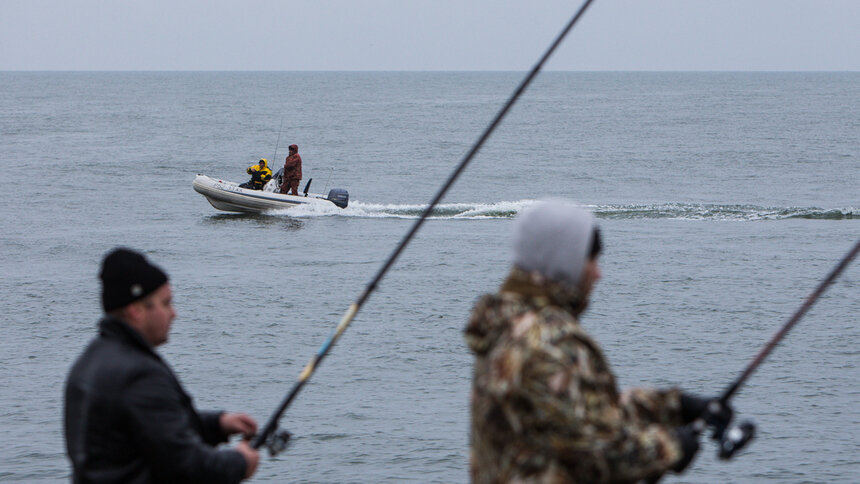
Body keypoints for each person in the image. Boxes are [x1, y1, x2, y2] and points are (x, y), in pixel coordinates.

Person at [464, 201, 730, 483]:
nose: (598, 274)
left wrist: (674, 406)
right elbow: (595, 456)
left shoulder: (508, 325)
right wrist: (670, 447)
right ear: (565, 262)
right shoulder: (550, 343)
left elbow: (573, 419)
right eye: (591, 260)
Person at [64, 248, 260, 483]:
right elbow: (186, 465)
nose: (174, 313)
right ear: (136, 311)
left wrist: (217, 424)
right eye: (166, 304)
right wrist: (239, 462)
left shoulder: (90, 361)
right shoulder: (139, 374)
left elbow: (152, 430)